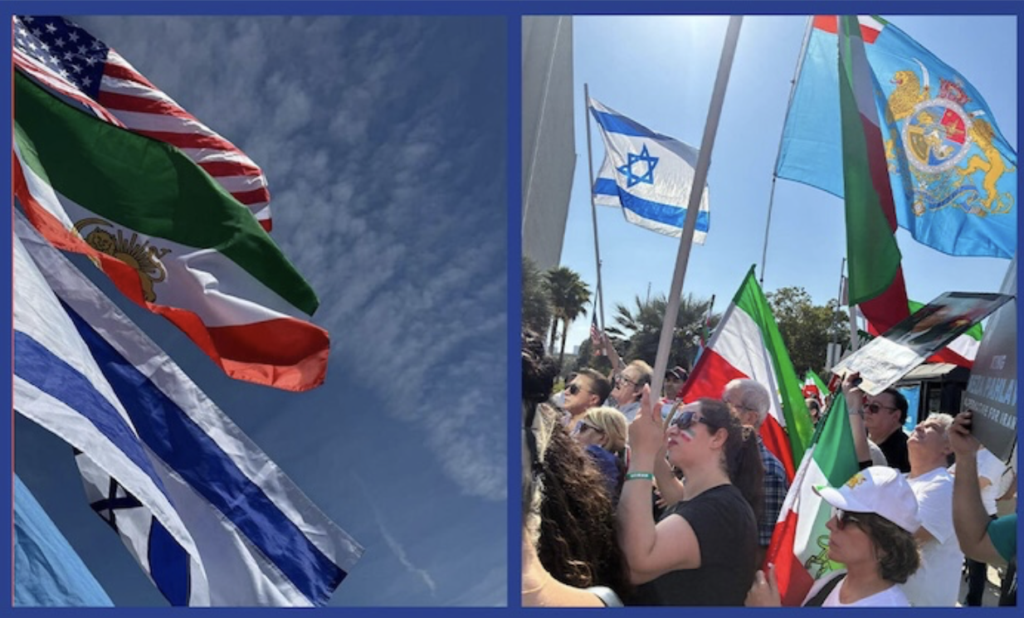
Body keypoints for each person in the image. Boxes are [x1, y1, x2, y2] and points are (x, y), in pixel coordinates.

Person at [618, 387, 762, 605]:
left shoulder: (721, 511)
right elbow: (676, 494)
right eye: (674, 420)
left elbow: (634, 563)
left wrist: (641, 455)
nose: (673, 429)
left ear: (718, 438)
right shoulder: (704, 501)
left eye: (685, 420)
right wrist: (653, 450)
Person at [522, 330, 628, 607]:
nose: (565, 392)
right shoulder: (543, 436)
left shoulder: (581, 465)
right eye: (566, 386)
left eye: (573, 389)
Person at [746, 466, 921, 607]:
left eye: (847, 518)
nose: (831, 524)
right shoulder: (830, 582)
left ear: (886, 542)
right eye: (838, 511)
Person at [949, 411, 1017, 606]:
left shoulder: (995, 456)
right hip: (970, 518)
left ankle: (974, 602)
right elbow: (950, 476)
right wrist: (964, 457)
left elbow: (980, 482)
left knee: (977, 567)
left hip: (985, 514)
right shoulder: (974, 452)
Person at [722, 379, 789, 568]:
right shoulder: (713, 455)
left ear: (750, 418)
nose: (720, 411)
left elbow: (764, 547)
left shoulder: (768, 470)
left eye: (728, 404)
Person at [900, 413, 962, 606]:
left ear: (948, 447)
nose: (918, 427)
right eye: (919, 424)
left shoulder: (944, 486)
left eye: (931, 427)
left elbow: (902, 540)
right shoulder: (900, 480)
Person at [842, 372, 910, 472]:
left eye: (875, 407)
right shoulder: (858, 436)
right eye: (865, 404)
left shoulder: (908, 451)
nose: (866, 411)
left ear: (895, 416)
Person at [573, 406, 628, 500]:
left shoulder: (592, 456)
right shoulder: (619, 466)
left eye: (583, 428)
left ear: (603, 438)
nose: (576, 435)